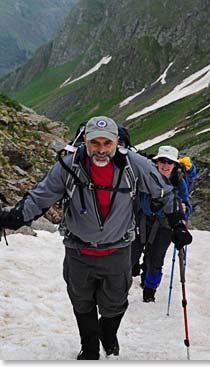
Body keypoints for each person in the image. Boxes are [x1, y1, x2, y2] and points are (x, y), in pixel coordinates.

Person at [0, 117, 192, 360]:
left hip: (118, 251)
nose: (101, 150)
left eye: (107, 143)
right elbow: (40, 197)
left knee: (115, 304)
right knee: (82, 304)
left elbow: (164, 192)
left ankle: (108, 335)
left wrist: (177, 224)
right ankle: (90, 348)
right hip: (78, 252)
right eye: (95, 143)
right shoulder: (69, 166)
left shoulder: (135, 165)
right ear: (85, 142)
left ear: (116, 142)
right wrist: (13, 218)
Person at [131, 145, 193, 303]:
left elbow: (186, 203)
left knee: (155, 260)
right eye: (162, 161)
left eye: (169, 162)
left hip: (164, 225)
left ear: (175, 165)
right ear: (156, 162)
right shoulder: (146, 175)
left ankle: (149, 290)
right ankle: (130, 276)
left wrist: (182, 215)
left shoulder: (179, 181)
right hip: (141, 220)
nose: (165, 165)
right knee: (130, 255)